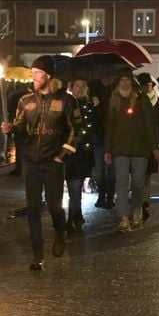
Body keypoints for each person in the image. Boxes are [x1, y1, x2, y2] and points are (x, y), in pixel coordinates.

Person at [0, 55, 80, 271]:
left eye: (38, 73)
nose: (33, 77)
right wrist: (11, 129)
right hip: (31, 162)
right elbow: (19, 128)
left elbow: (76, 129)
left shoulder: (65, 100)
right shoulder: (26, 101)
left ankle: (60, 232)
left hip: (53, 162)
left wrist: (62, 155)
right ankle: (37, 254)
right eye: (32, 73)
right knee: (33, 209)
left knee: (55, 207)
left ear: (48, 75)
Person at [104, 70, 159, 233]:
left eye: (128, 80)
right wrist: (108, 150)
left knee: (138, 183)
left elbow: (151, 123)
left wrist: (154, 147)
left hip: (140, 148)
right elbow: (110, 127)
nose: (125, 83)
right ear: (118, 83)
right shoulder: (114, 100)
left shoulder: (142, 99)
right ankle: (123, 218)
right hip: (119, 148)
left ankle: (137, 210)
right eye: (122, 80)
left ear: (132, 82)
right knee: (121, 184)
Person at [64, 77, 95, 234]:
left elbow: (93, 125)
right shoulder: (67, 104)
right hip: (70, 150)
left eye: (83, 85)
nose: (80, 88)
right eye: (77, 85)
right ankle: (73, 216)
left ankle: (76, 214)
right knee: (73, 186)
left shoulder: (89, 105)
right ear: (72, 87)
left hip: (84, 152)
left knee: (77, 185)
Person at [136, 72, 159, 221]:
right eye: (146, 84)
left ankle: (144, 201)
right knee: (139, 174)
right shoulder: (138, 101)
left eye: (149, 84)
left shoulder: (155, 99)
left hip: (152, 142)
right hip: (140, 142)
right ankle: (139, 202)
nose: (148, 87)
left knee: (147, 174)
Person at [90, 74, 116, 209]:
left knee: (111, 170)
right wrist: (94, 105)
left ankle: (110, 197)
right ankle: (101, 196)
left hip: (113, 136)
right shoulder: (92, 89)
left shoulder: (116, 90)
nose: (107, 78)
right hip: (98, 134)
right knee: (100, 169)